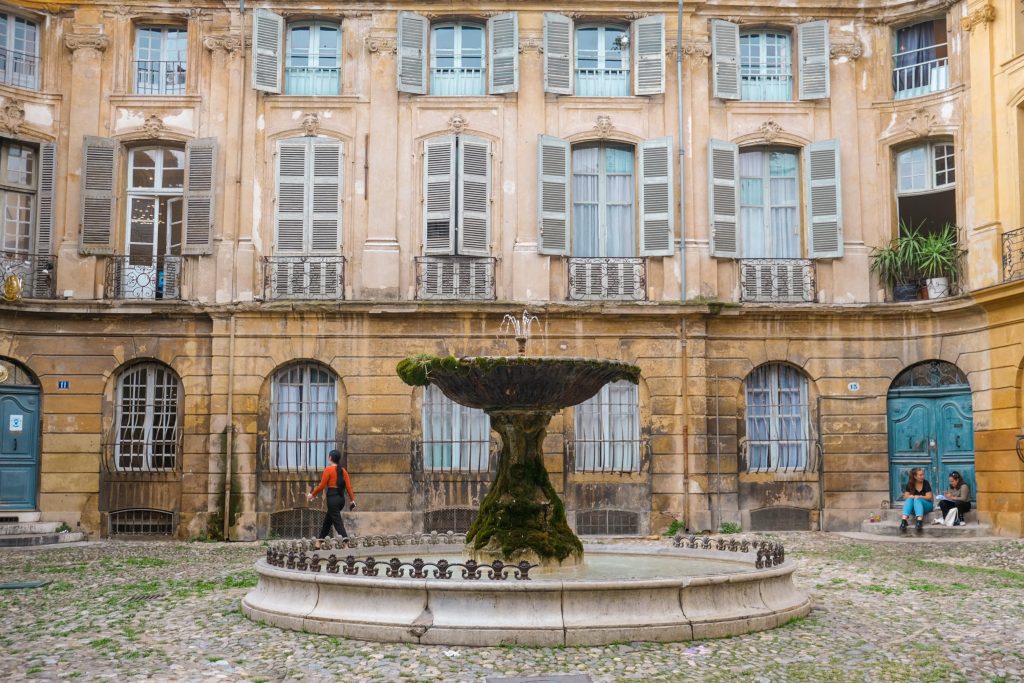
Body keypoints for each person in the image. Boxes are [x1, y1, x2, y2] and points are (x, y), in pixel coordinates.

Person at [308, 449, 356, 545]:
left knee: (337, 522)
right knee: (328, 521)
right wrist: (352, 500)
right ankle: (319, 542)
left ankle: (346, 542)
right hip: (341, 500)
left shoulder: (328, 470)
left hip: (332, 499)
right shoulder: (343, 471)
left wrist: (312, 494)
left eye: (328, 456)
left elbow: (322, 485)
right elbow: (349, 487)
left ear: (330, 458)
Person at [898, 467, 933, 534]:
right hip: (915, 508)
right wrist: (910, 496)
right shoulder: (910, 483)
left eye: (923, 474)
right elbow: (905, 496)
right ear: (915, 476)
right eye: (920, 475)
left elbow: (929, 497)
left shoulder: (926, 483)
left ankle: (919, 521)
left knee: (917, 499)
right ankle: (904, 521)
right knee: (909, 499)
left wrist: (920, 496)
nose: (922, 476)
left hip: (927, 505)